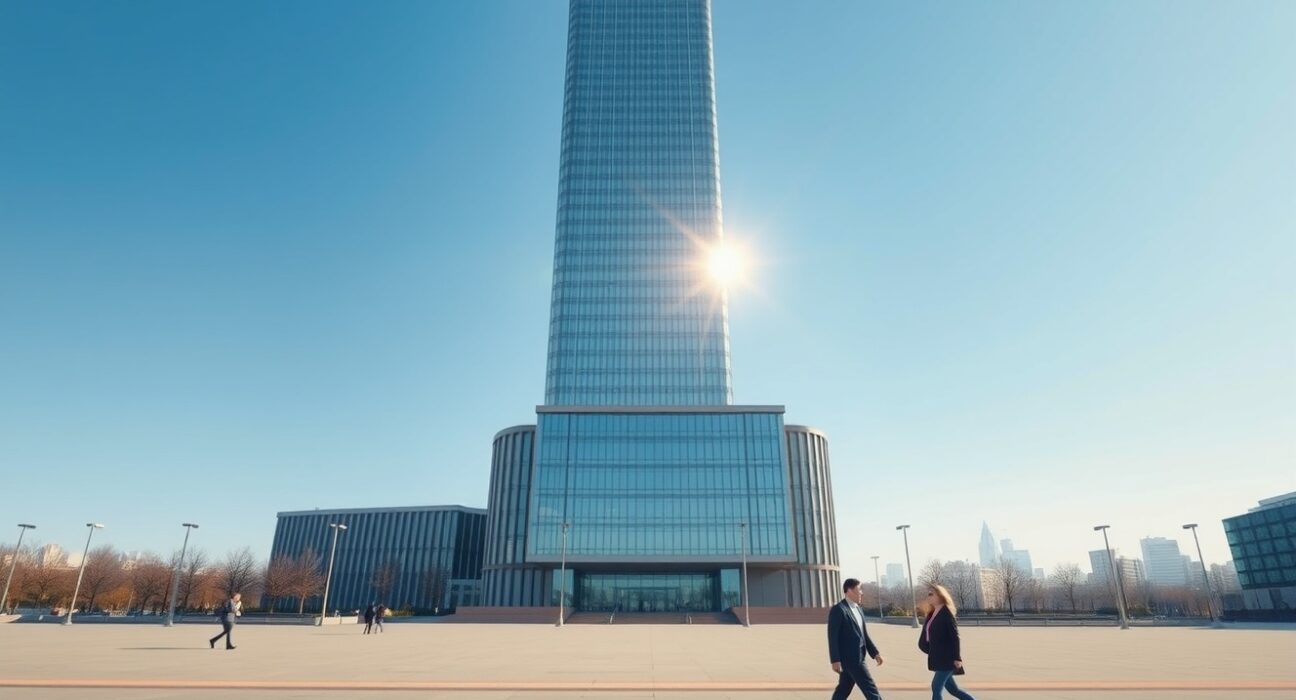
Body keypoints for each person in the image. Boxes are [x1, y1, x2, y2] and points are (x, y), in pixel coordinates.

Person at [827, 578, 885, 700]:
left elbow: (864, 635)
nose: (861, 593)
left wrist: (875, 653)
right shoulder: (839, 609)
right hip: (852, 658)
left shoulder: (858, 609)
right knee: (870, 689)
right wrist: (835, 660)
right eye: (859, 589)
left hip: (858, 655)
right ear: (849, 591)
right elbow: (832, 636)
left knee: (843, 690)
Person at [918, 584, 976, 700]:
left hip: (947, 658)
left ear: (940, 596)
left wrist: (957, 657)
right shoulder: (931, 614)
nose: (928, 597)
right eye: (928, 594)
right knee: (954, 690)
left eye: (931, 594)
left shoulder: (946, 613)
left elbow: (955, 637)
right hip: (938, 657)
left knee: (936, 687)